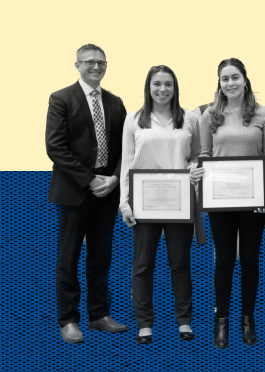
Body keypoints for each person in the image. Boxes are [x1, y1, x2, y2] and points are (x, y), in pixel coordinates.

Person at [46, 44, 128, 344]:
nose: (96, 66)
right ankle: (68, 320)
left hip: (107, 191)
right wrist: (90, 179)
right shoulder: (61, 99)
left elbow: (125, 147)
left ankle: (99, 315)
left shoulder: (116, 102)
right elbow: (55, 147)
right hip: (74, 191)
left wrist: (115, 178)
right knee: (68, 257)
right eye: (90, 62)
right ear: (77, 65)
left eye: (101, 62)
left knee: (100, 256)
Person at [191, 58, 265, 349]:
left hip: (254, 200)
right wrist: (200, 171)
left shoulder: (263, 115)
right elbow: (204, 154)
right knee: (224, 259)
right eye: (224, 79)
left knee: (250, 259)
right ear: (219, 83)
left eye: (235, 77)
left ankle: (248, 319)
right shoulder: (209, 115)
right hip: (221, 199)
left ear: (245, 79)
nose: (230, 83)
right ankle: (222, 321)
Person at [120, 65, 200, 344]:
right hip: (144, 203)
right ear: (148, 87)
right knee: (143, 265)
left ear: (175, 87)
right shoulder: (133, 120)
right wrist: (124, 203)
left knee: (180, 264)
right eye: (157, 84)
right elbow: (127, 165)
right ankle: (144, 324)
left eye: (168, 84)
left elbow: (195, 157)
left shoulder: (189, 119)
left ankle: (184, 322)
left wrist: (193, 168)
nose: (163, 89)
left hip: (179, 202)